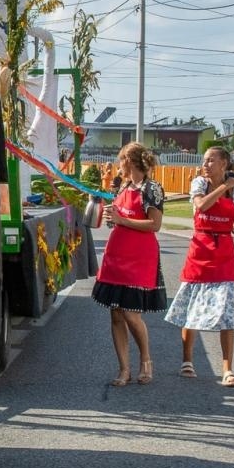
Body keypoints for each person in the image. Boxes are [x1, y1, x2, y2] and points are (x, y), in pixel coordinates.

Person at [166, 145, 234, 387]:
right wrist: (224, 187)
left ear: (224, 163)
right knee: (191, 309)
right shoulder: (199, 184)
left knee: (228, 313)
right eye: (205, 160)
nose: (206, 164)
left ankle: (227, 370)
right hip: (200, 251)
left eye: (211, 160)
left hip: (224, 254)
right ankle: (187, 360)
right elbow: (201, 206)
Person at [91, 142, 167, 387]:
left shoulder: (151, 188)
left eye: (120, 159)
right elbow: (122, 219)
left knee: (131, 314)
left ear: (131, 161)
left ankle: (146, 361)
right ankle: (124, 369)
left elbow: (154, 225)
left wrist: (123, 220)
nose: (118, 164)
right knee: (115, 313)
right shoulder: (123, 186)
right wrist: (112, 219)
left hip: (139, 255)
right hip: (117, 253)